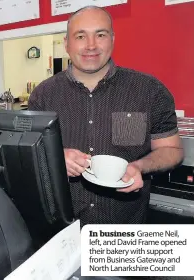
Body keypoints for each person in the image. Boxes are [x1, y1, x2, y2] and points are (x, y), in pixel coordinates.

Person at [28, 6, 183, 225]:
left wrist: (138, 167)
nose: (91, 45)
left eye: (100, 35)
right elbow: (29, 155)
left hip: (124, 230)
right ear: (66, 44)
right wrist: (53, 157)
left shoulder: (149, 90)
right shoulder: (43, 95)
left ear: (112, 39)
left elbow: (172, 150)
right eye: (80, 36)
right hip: (62, 231)